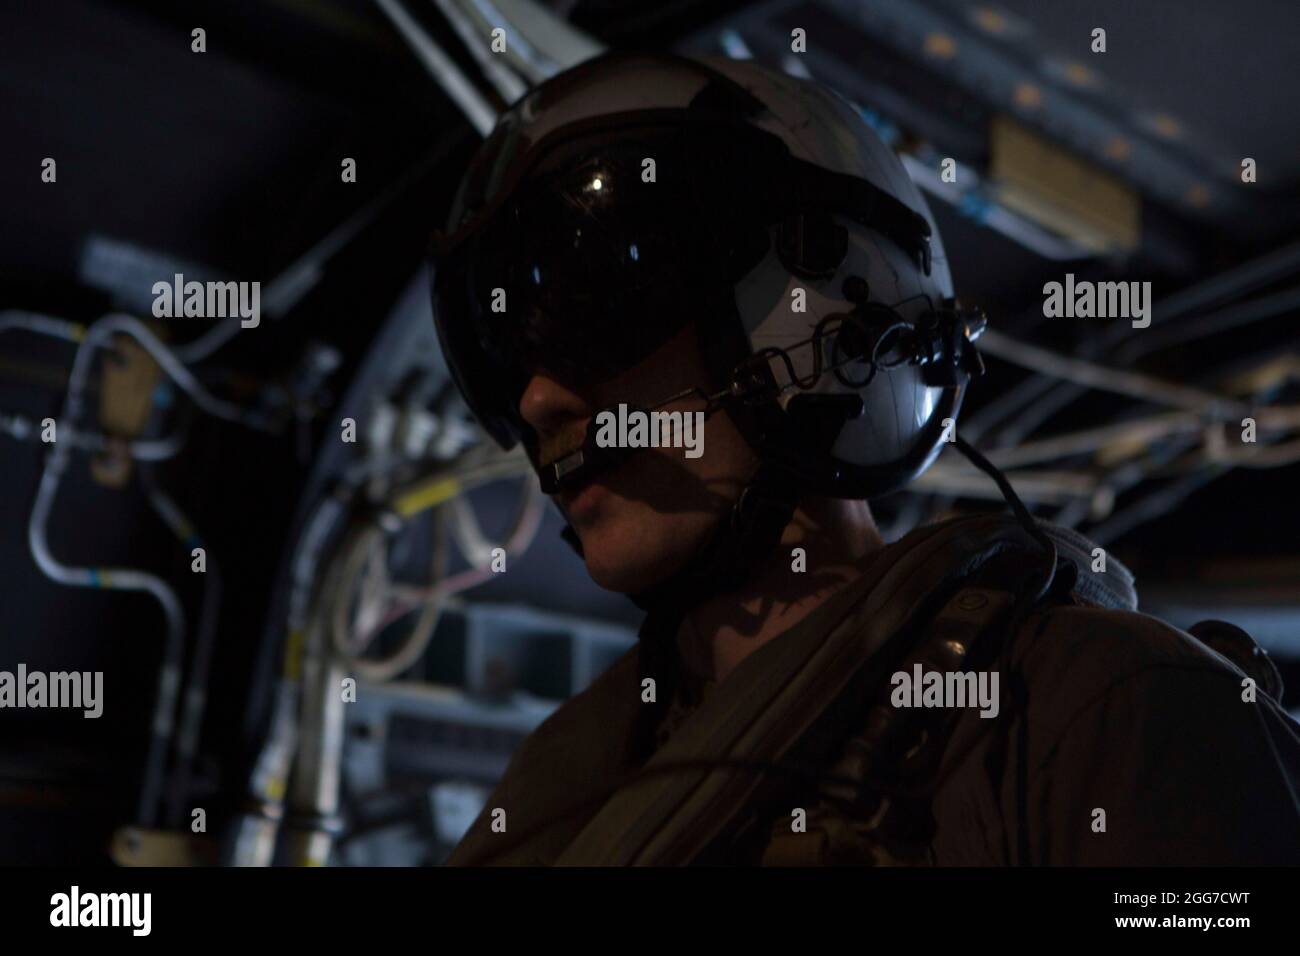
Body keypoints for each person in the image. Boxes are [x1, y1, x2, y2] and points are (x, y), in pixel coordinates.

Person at [429, 51, 1300, 865]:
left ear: (821, 320)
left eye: (596, 318)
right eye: (510, 358)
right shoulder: (560, 793)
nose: (540, 400)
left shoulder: (1103, 711)